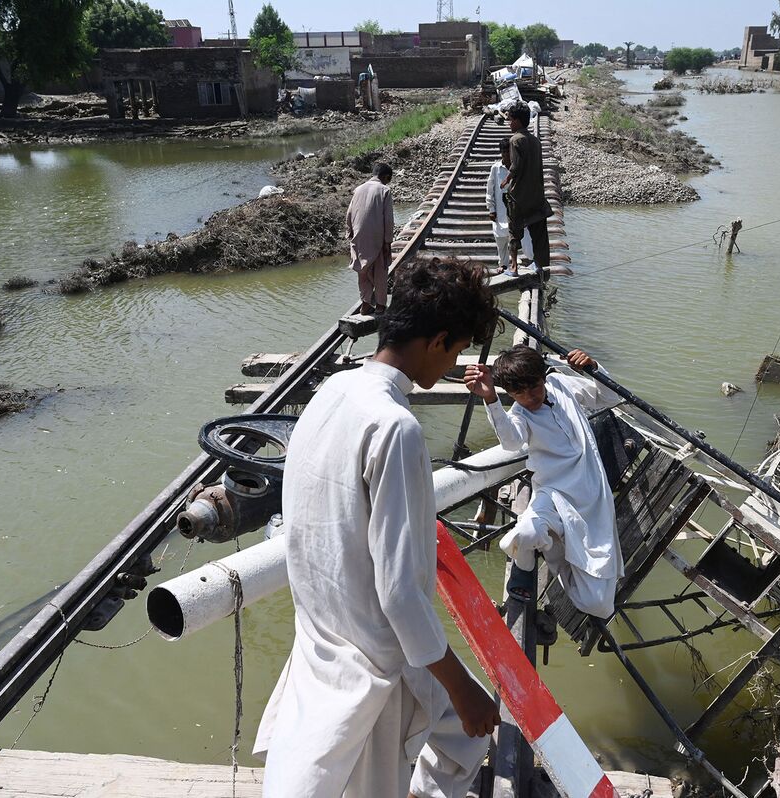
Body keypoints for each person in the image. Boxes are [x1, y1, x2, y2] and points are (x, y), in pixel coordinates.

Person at [255, 257, 502, 798]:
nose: (453, 364)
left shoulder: (333, 391)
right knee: (432, 748)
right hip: (375, 659)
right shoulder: (396, 428)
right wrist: (462, 690)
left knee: (459, 742)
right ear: (437, 340)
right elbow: (401, 594)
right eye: (457, 350)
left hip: (320, 634)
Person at [463, 345, 623, 619]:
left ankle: (556, 546)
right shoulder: (519, 414)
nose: (529, 397)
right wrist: (490, 398)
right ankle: (523, 571)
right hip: (553, 493)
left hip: (592, 495)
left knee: (598, 604)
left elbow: (609, 397)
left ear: (544, 377)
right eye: (518, 393)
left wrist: (593, 368)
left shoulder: (561, 384)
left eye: (534, 387)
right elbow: (512, 442)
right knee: (524, 534)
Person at [500, 103, 551, 276]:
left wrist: (507, 178)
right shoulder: (535, 141)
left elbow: (516, 166)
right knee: (539, 233)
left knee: (514, 232)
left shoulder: (515, 140)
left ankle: (513, 268)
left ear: (517, 121)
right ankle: (539, 266)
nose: (509, 123)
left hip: (519, 196)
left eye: (511, 120)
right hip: (536, 195)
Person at [346, 162, 395, 315]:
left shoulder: (358, 189)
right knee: (380, 271)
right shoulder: (384, 190)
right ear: (385, 177)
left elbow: (349, 214)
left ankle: (365, 304)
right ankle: (380, 306)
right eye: (388, 179)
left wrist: (350, 234)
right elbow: (388, 219)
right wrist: (388, 241)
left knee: (362, 271)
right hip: (377, 236)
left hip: (358, 235)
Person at [486, 138, 534, 276]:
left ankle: (531, 260)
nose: (506, 154)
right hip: (501, 211)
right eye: (503, 152)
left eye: (508, 152)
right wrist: (491, 209)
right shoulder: (495, 168)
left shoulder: (517, 168)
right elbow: (490, 189)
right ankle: (503, 264)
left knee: (524, 236)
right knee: (500, 238)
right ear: (500, 153)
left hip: (517, 210)